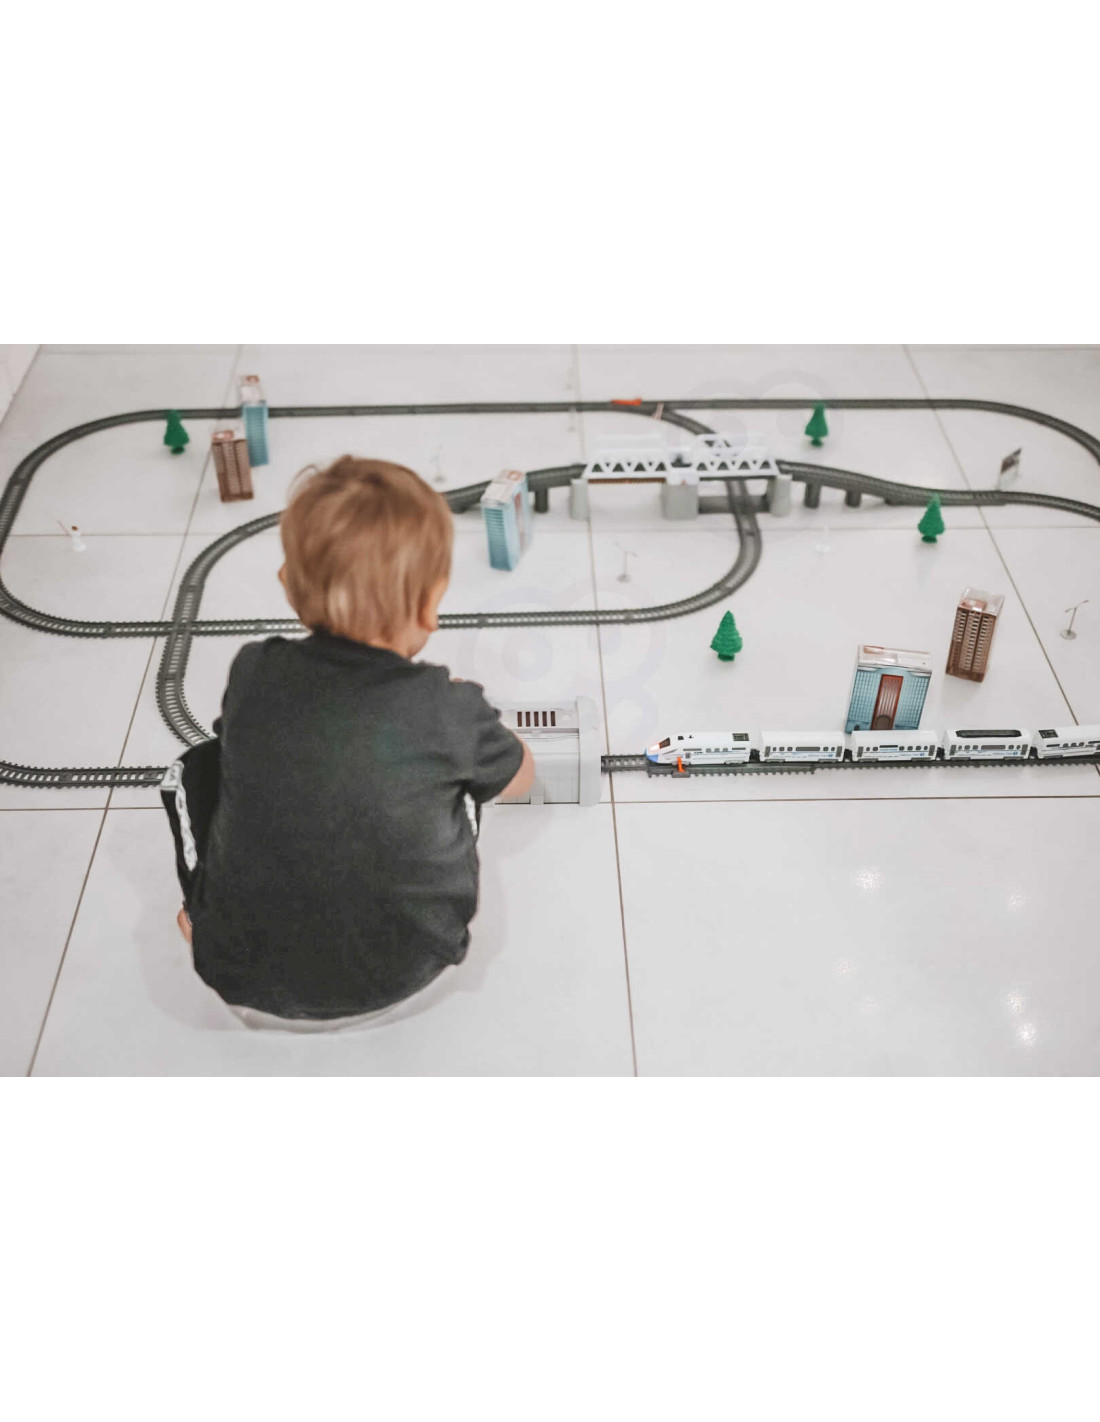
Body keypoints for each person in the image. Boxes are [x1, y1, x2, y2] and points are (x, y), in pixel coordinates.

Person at [162, 456, 534, 1031]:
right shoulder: (448, 708)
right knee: (460, 780)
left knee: (205, 763)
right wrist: (472, 723)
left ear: (288, 585)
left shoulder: (253, 669)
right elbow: (520, 779)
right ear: (431, 603)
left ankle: (203, 919)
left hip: (241, 970)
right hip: (409, 965)